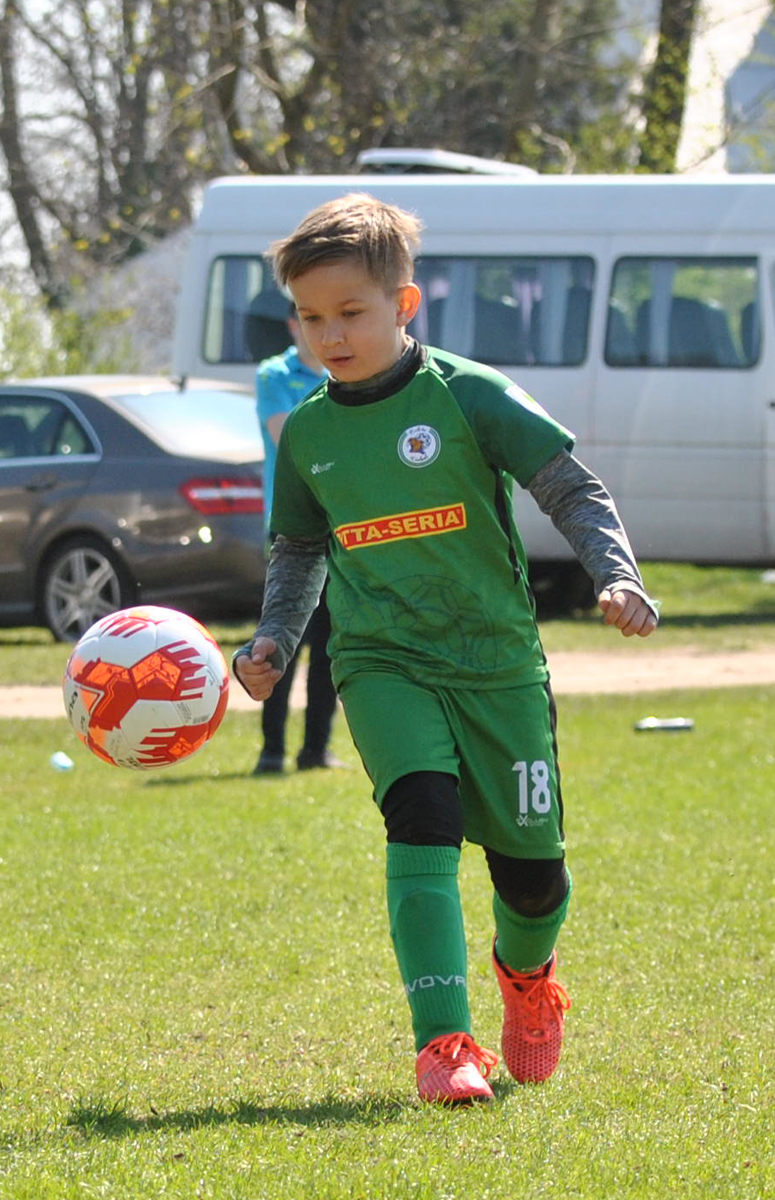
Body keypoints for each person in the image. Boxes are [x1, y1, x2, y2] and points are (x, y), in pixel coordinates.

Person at [232, 194, 659, 1105]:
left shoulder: (469, 395)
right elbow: (300, 549)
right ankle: (444, 1045)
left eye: (351, 313)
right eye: (310, 317)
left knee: (534, 879)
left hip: (497, 663)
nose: (330, 335)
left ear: (404, 306)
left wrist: (614, 575)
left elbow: (570, 488)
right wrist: (274, 636)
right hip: (383, 660)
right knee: (420, 815)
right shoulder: (308, 431)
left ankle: (528, 981)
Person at [252, 303, 343, 775]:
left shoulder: (345, 376)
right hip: (290, 529)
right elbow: (288, 437)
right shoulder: (274, 375)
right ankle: (271, 752)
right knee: (278, 645)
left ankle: (315, 751)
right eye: (310, 318)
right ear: (294, 325)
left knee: (331, 647)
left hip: (339, 529)